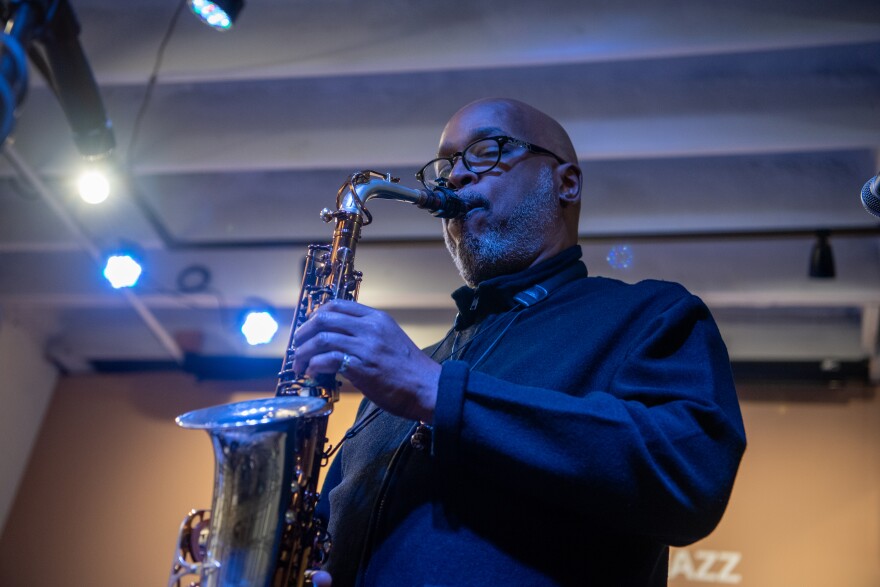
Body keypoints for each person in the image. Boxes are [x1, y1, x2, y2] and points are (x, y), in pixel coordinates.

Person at [293, 98, 746, 586]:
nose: (455, 177)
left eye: (485, 151)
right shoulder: (405, 377)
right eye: (447, 164)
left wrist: (439, 394)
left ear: (565, 182)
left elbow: (689, 478)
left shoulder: (650, 316)